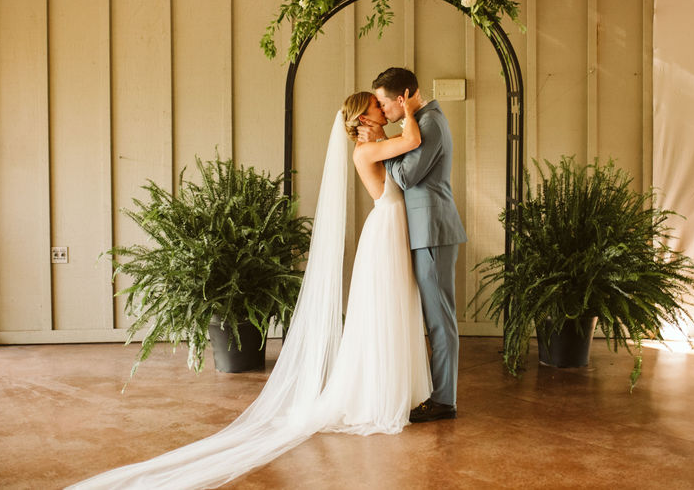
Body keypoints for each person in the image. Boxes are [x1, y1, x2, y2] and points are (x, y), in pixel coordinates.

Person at [70, 91, 431, 488]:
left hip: (392, 226)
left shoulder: (375, 144)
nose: (385, 109)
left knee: (390, 309)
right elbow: (412, 141)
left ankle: (392, 387)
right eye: (378, 106)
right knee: (382, 311)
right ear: (363, 118)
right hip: (385, 229)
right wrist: (411, 111)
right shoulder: (366, 150)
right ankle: (377, 394)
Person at [359, 67, 467, 423]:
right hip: (423, 230)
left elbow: (404, 176)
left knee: (440, 320)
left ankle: (444, 401)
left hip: (432, 230)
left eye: (384, 104)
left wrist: (382, 144)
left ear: (402, 99)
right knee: (434, 318)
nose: (382, 111)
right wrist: (390, 139)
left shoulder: (430, 123)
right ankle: (440, 395)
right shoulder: (418, 123)